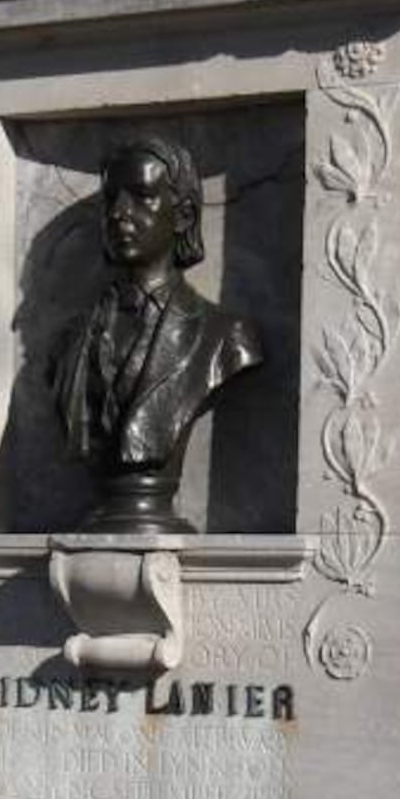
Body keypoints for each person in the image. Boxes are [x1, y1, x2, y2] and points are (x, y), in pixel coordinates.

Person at [48, 135, 261, 530]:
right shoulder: (68, 342)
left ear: (181, 215)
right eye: (112, 198)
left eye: (142, 196)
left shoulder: (225, 338)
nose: (118, 213)